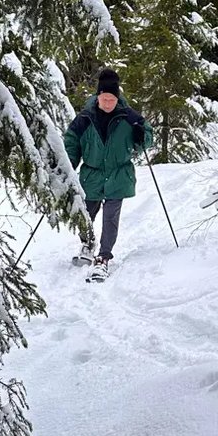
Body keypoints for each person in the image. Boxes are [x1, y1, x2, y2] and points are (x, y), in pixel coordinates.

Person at [64, 68, 154, 279]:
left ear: (117, 98)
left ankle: (103, 257)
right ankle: (87, 245)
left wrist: (142, 135)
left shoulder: (129, 117)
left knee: (110, 218)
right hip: (91, 176)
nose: (107, 103)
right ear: (98, 98)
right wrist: (69, 164)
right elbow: (71, 142)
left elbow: (147, 138)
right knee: (85, 215)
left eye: (111, 99)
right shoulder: (85, 118)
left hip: (118, 175)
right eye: (104, 99)